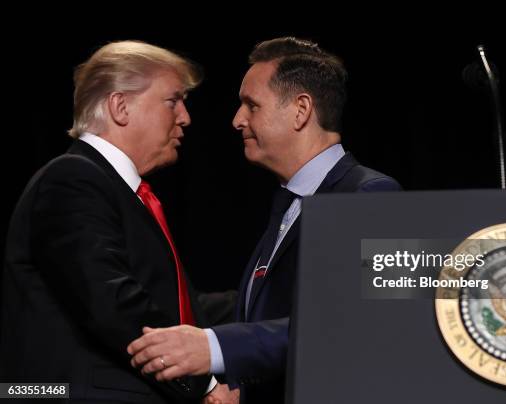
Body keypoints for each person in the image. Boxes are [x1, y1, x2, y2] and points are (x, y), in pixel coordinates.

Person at [128, 37, 402, 403]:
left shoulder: (370, 195)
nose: (237, 120)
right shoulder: (289, 204)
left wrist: (213, 346)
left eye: (251, 105)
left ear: (301, 110)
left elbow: (362, 327)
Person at [0, 40, 226, 403]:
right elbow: (112, 302)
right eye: (173, 101)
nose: (185, 117)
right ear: (120, 106)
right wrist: (204, 384)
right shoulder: (72, 178)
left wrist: (259, 305)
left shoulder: (119, 191)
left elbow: (171, 302)